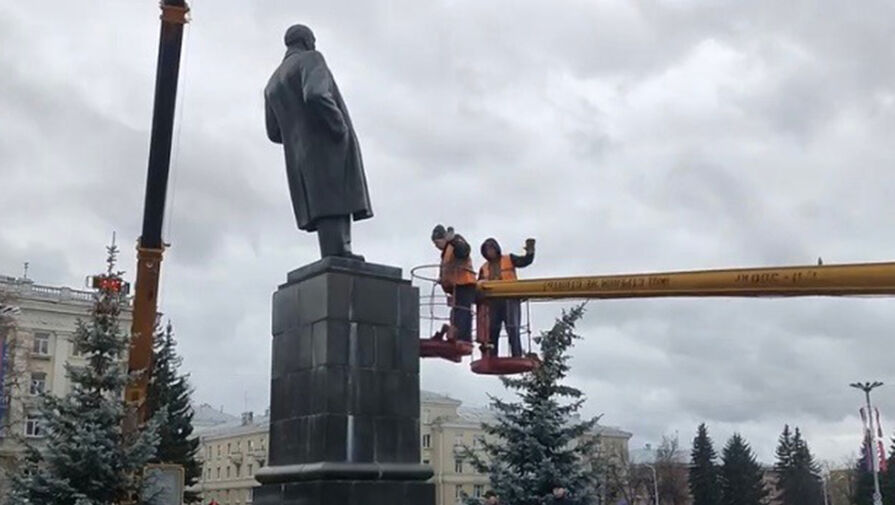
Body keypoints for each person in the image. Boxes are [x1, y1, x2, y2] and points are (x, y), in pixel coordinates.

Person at [265, 24, 372, 260]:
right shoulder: (311, 59)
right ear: (306, 41)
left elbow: (273, 132)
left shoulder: (272, 82)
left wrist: (297, 135)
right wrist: (338, 125)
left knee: (324, 200)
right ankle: (339, 252)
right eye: (313, 39)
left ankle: (335, 252)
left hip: (301, 156)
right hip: (327, 144)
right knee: (336, 194)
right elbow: (315, 93)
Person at [478, 237, 535, 357]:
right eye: (487, 250)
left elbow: (524, 261)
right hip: (493, 301)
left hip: (510, 298)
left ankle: (516, 355)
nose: (490, 252)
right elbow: (479, 285)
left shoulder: (509, 259)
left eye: (491, 248)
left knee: (513, 328)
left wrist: (530, 252)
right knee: (492, 329)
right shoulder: (483, 268)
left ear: (496, 249)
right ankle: (491, 356)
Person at [431, 225, 476, 343]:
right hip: (456, 286)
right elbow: (447, 269)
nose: (436, 246)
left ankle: (463, 337)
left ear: (443, 238)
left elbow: (464, 252)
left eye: (437, 243)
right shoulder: (446, 251)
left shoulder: (456, 243)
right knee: (456, 312)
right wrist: (442, 279)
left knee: (463, 311)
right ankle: (456, 334)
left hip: (465, 282)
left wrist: (452, 240)